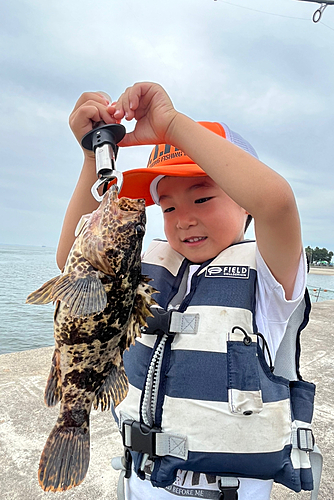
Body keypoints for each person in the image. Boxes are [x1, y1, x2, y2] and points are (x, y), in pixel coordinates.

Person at [58, 82, 313, 500]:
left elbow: (276, 202)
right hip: (142, 481)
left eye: (203, 197)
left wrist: (172, 126)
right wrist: (93, 155)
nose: (184, 219)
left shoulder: (269, 278)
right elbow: (73, 257)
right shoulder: (148, 268)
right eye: (169, 206)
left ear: (244, 202)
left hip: (228, 491)